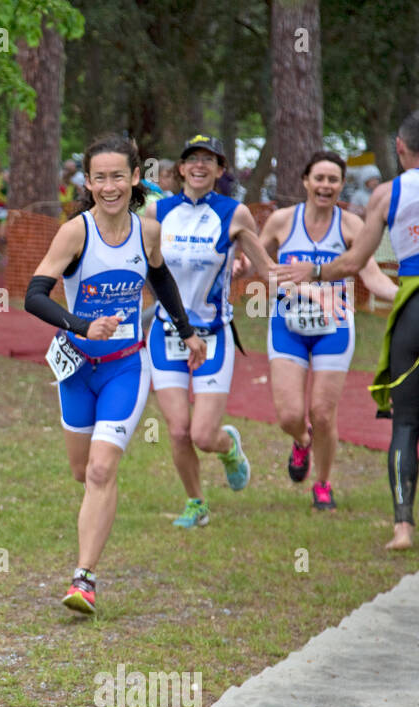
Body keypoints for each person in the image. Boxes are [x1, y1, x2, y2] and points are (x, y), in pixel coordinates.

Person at [273, 109, 419, 550]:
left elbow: (352, 264)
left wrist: (314, 273)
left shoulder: (385, 194)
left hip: (412, 311)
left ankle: (402, 527)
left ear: (399, 148)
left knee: (405, 423)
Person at [24, 134, 206, 614]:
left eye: (118, 177)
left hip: (126, 366)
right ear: (88, 182)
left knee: (103, 469)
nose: (110, 186)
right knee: (83, 471)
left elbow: (161, 278)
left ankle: (84, 579)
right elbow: (34, 295)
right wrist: (83, 324)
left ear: (134, 178)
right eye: (100, 177)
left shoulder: (147, 231)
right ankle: (89, 545)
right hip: (76, 367)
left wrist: (186, 332)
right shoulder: (75, 233)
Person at [145, 134, 276, 529]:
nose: (200, 166)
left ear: (220, 171)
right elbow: (143, 266)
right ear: (181, 169)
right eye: (192, 159)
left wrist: (313, 284)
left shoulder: (235, 214)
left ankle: (229, 446)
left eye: (209, 160)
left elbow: (264, 268)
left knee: (203, 434)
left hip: (214, 336)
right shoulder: (156, 213)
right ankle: (196, 503)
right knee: (179, 429)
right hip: (166, 332)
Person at [258, 150, 400, 510]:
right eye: (319, 178)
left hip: (334, 327)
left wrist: (407, 296)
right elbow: (262, 268)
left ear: (341, 185)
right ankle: (301, 441)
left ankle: (322, 483)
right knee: (290, 415)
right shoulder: (281, 221)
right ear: (305, 182)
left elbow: (372, 277)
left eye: (333, 180)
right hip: (287, 325)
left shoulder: (352, 226)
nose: (325, 186)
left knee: (323, 413)